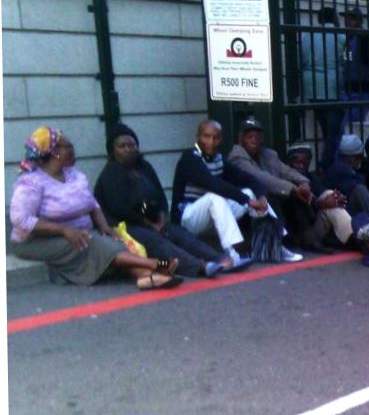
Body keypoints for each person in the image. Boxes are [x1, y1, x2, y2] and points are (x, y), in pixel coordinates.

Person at [10, 126, 182, 290]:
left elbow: (92, 204)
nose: (73, 150)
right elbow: (20, 220)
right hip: (36, 241)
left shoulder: (74, 176)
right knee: (91, 244)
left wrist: (104, 227)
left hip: (80, 232)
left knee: (113, 241)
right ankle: (156, 264)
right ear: (54, 152)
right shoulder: (31, 183)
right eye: (68, 146)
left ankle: (146, 276)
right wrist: (64, 231)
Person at [95, 123, 246, 278]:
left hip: (151, 220)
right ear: (113, 150)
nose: (128, 149)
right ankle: (200, 267)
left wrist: (161, 218)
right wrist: (149, 224)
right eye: (122, 146)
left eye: (132, 145)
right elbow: (119, 208)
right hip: (127, 225)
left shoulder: (144, 167)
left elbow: (159, 195)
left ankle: (220, 259)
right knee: (158, 242)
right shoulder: (110, 174)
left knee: (179, 234)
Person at [172, 119, 300, 263]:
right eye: (206, 136)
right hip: (188, 218)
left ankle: (272, 246)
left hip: (213, 216)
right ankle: (232, 254)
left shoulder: (219, 158)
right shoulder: (190, 157)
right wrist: (247, 201)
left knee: (249, 192)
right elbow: (214, 184)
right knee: (215, 197)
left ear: (221, 139)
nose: (211, 142)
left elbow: (247, 178)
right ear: (198, 137)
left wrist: (260, 195)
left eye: (216, 137)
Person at [227, 117, 343, 254]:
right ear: (241, 139)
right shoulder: (236, 156)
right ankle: (286, 242)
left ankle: (307, 239)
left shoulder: (267, 154)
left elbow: (285, 171)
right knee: (280, 194)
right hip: (246, 209)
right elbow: (261, 178)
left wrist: (303, 182)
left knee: (293, 193)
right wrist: (293, 189)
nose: (254, 140)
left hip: (266, 201)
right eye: (249, 137)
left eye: (257, 137)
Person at [282, 143, 356, 250]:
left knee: (330, 196)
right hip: (301, 235)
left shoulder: (312, 177)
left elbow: (325, 195)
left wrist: (335, 199)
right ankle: (355, 239)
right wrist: (320, 204)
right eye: (297, 162)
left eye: (305, 161)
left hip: (316, 228)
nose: (301, 166)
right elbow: (302, 215)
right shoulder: (287, 182)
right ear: (289, 163)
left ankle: (354, 237)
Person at [300, 6, 345, 168]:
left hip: (313, 86)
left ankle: (330, 164)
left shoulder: (309, 35)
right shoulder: (340, 36)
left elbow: (303, 59)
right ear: (334, 18)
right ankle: (326, 166)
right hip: (333, 87)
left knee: (326, 129)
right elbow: (347, 59)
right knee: (334, 133)